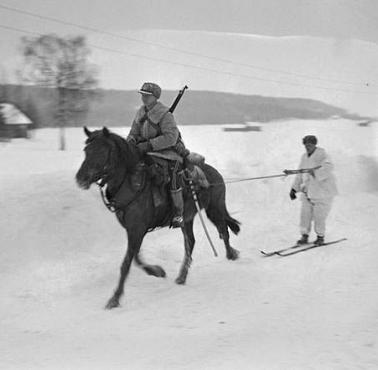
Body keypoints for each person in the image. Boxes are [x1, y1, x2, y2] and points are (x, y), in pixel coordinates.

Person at [126, 82, 187, 228]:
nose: (144, 98)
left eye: (147, 96)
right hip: (145, 151)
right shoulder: (140, 112)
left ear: (155, 97)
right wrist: (131, 141)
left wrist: (148, 144)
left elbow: (171, 137)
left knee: (173, 174)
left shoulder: (165, 115)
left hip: (168, 152)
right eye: (143, 95)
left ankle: (178, 213)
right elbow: (133, 132)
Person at [289, 135, 338, 246]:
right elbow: (300, 174)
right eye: (306, 145)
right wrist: (294, 189)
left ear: (315, 145)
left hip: (322, 192)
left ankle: (320, 237)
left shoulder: (323, 155)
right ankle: (304, 235)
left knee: (319, 216)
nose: (307, 147)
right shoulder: (304, 157)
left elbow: (329, 168)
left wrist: (315, 172)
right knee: (304, 215)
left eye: (310, 145)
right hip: (308, 191)